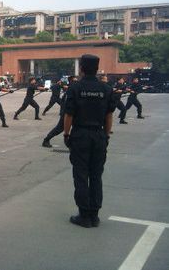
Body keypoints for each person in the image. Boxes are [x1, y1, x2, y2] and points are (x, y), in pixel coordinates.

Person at [63, 54, 116, 228]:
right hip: (99, 135)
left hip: (80, 135)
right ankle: (94, 215)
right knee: (96, 176)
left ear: (82, 68)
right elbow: (109, 115)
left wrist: (66, 134)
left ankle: (84, 215)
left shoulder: (75, 88)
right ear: (97, 68)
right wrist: (106, 135)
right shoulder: (106, 89)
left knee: (80, 175)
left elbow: (69, 114)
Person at [42, 76, 77, 148]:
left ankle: (74, 143)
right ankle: (46, 139)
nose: (76, 82)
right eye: (75, 81)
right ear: (71, 82)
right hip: (66, 113)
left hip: (72, 112)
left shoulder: (72, 88)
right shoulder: (70, 90)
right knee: (59, 128)